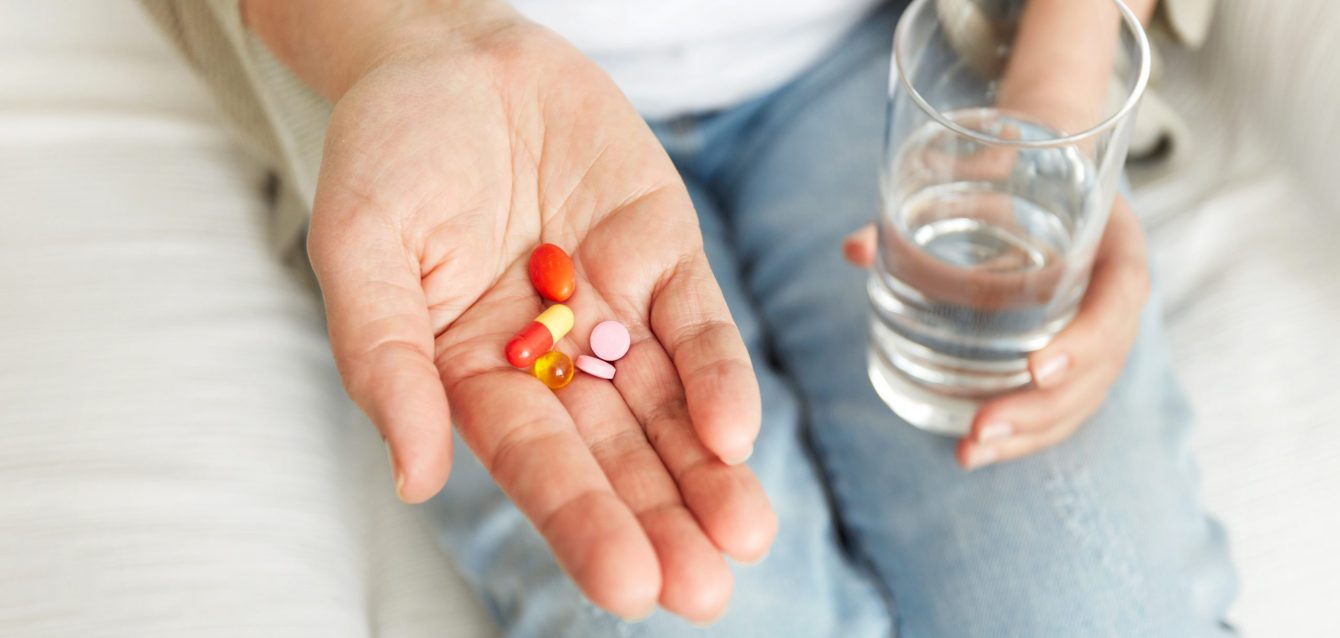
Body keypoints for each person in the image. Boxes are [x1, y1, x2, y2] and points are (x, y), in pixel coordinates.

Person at [140, 0, 1237, 634]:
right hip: (468, 141)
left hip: (896, 62)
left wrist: (1051, 111)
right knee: (690, 596)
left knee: (1103, 613)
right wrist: (402, 41)